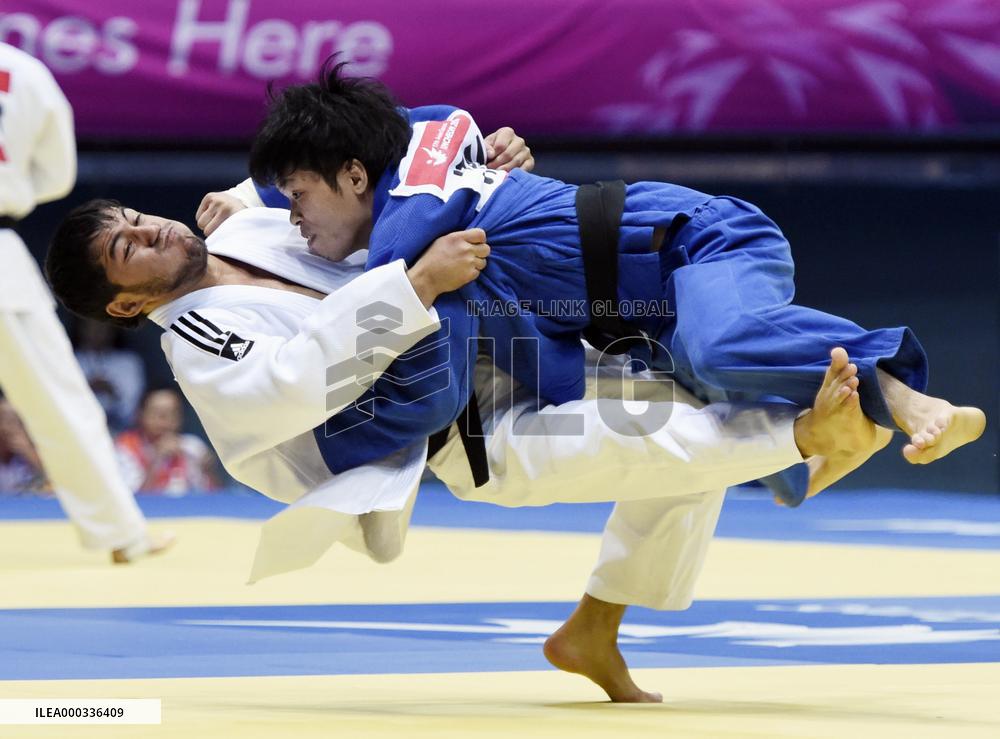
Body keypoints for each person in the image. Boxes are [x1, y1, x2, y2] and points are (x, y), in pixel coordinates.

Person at [46, 196, 876, 702]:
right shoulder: (197, 337)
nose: (148, 229)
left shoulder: (251, 231)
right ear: (126, 306)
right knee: (657, 447)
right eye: (130, 248)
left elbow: (350, 202)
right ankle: (802, 440)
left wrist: (488, 164)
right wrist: (416, 284)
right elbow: (292, 385)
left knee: (684, 402)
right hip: (457, 431)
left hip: (501, 340)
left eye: (134, 218)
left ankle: (595, 627)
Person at [242, 62, 985, 505]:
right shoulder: (433, 142)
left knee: (721, 348)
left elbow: (411, 342)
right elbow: (414, 127)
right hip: (645, 323)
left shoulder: (414, 233)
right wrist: (246, 202)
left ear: (353, 174)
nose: (296, 220)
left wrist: (318, 456)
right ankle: (819, 456)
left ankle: (907, 389)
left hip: (696, 244)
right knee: (683, 423)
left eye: (297, 198)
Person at [0, 42, 171, 563]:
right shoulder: (23, 71)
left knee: (59, 397)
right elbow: (57, 177)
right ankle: (121, 533)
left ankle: (123, 532)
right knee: (56, 398)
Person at [116, 388, 220, 495]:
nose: (164, 420)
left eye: (171, 414)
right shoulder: (125, 447)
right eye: (157, 413)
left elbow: (212, 497)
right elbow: (132, 500)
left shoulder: (193, 446)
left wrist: (208, 471)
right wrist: (158, 460)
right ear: (140, 415)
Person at [73, 319, 146, 433]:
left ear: (113, 330)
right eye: (91, 327)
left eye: (103, 327)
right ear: (81, 329)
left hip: (120, 429)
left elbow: (132, 408)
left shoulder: (128, 362)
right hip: (77, 425)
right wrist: (87, 387)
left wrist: (112, 391)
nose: (97, 332)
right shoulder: (70, 359)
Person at [0, 397, 48, 494]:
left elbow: (53, 479)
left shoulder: (33, 451)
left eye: (16, 421)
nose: (10, 427)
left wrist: (27, 451)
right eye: (5, 420)